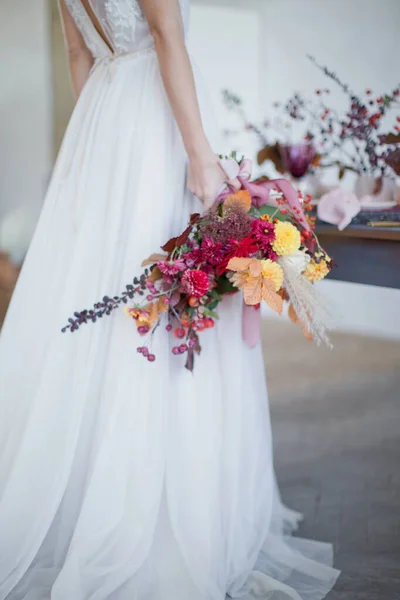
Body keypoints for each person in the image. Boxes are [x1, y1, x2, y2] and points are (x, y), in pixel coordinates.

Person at [0, 1, 339, 598]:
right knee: (174, 295)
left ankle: (88, 497)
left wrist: (93, 158)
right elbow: (165, 36)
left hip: (103, 120)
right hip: (156, 120)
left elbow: (80, 54)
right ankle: (158, 514)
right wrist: (201, 155)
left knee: (121, 295)